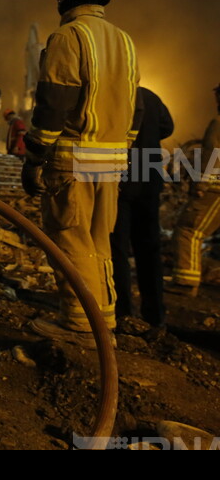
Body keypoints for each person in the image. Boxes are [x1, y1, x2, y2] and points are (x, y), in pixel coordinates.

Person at [22, 0, 142, 346]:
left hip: (73, 160)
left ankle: (78, 324)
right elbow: (136, 108)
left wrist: (35, 155)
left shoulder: (68, 36)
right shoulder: (124, 42)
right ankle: (102, 319)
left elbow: (54, 102)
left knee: (70, 239)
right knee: (98, 241)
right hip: (111, 164)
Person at [110, 87, 173, 327]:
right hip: (149, 182)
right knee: (150, 250)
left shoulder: (113, 93)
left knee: (118, 250)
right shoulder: (151, 97)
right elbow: (169, 127)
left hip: (121, 183)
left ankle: (123, 312)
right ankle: (155, 315)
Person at [168, 82, 220, 296]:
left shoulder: (218, 123)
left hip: (214, 190)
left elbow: (212, 154)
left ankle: (185, 282)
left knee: (189, 230)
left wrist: (201, 184)